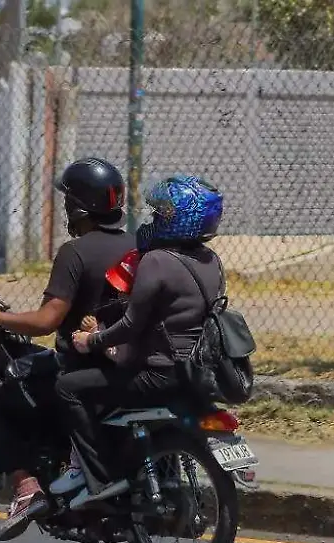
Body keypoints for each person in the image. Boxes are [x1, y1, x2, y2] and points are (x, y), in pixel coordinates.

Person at [0, 157, 136, 541]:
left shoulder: (75, 252)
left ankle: (26, 489)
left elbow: (48, 320)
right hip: (125, 367)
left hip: (80, 368)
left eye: (68, 202)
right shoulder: (138, 245)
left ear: (78, 207)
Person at [46, 174, 226, 511]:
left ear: (181, 219)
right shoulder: (211, 261)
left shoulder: (157, 261)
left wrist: (92, 340)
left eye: (161, 215)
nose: (153, 220)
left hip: (155, 374)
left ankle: (95, 475)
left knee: (68, 387)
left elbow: (131, 325)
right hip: (193, 373)